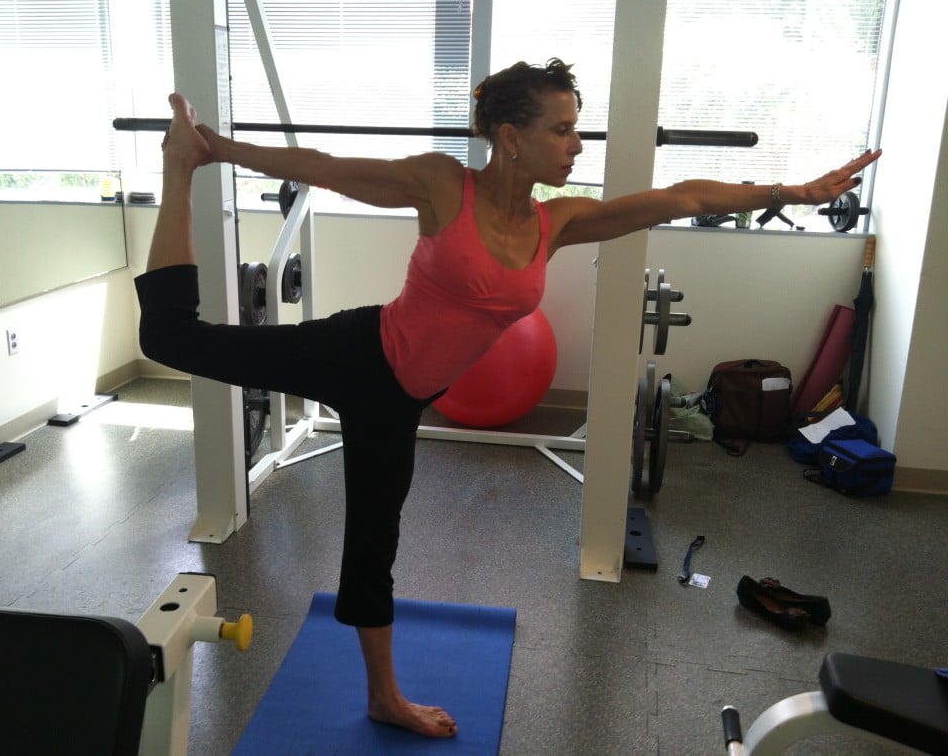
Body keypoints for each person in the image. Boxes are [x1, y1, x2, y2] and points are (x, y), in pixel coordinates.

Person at [136, 59, 880, 739]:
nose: (577, 146)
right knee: (172, 338)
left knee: (373, 544)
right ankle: (176, 169)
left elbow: (679, 197)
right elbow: (328, 168)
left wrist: (791, 191)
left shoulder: (558, 223)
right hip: (355, 353)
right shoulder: (440, 185)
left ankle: (382, 696)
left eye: (576, 129)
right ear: (510, 137)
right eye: (563, 130)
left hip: (401, 400)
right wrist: (217, 151)